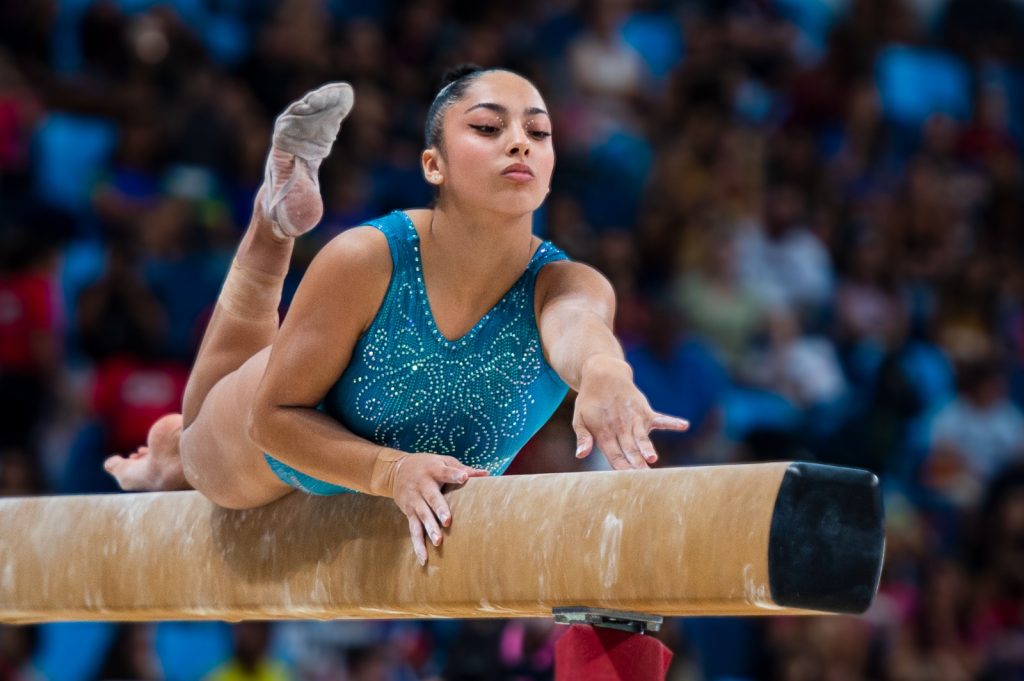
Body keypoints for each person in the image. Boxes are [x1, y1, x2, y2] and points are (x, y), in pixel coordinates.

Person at [103, 65, 689, 565]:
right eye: (488, 127)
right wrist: (389, 473)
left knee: (182, 443)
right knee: (203, 453)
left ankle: (164, 456)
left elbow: (579, 329)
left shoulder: (567, 284)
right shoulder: (370, 259)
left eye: (538, 131)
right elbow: (272, 419)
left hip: (351, 448)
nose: (520, 142)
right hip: (282, 443)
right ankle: (271, 224)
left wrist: (605, 373)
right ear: (433, 165)